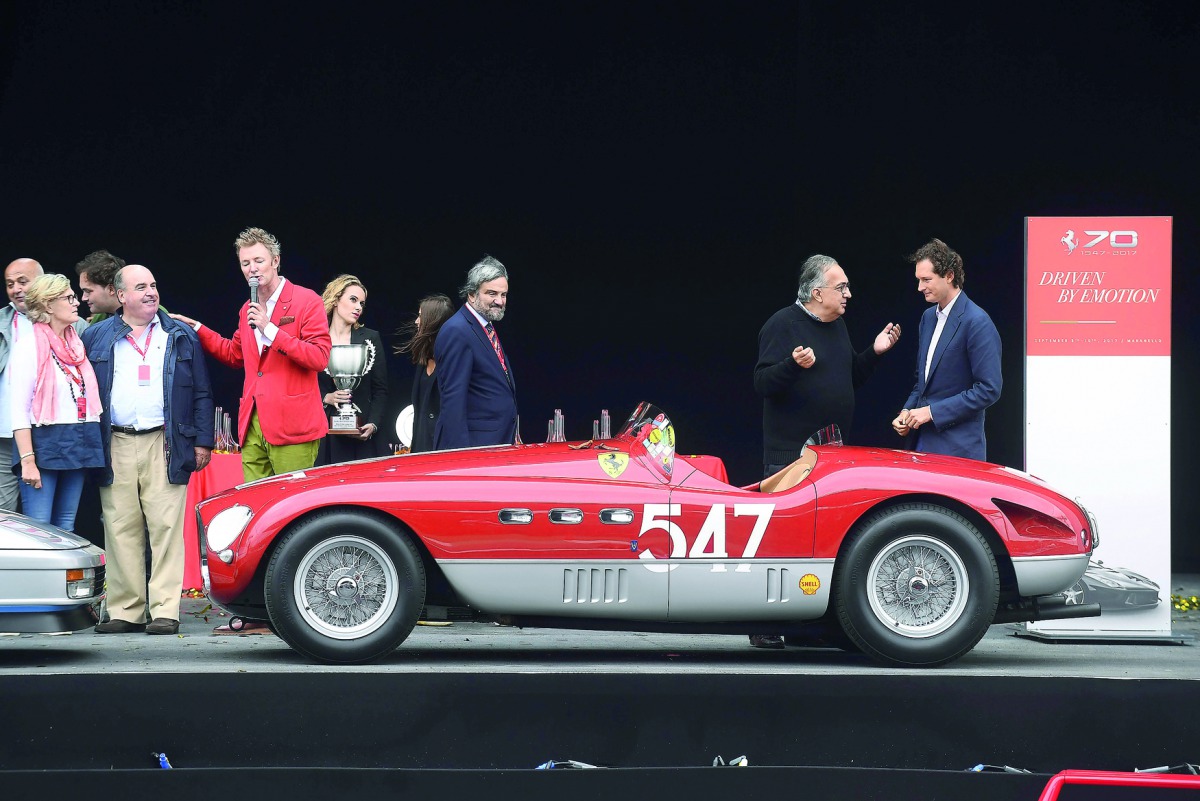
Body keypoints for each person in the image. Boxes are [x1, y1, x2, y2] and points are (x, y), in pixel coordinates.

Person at [750, 253, 901, 648]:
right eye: (842, 287)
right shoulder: (782, 324)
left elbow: (850, 377)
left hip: (832, 457)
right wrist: (793, 365)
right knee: (780, 538)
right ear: (817, 292)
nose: (849, 294)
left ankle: (812, 624)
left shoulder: (838, 326)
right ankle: (764, 622)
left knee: (822, 538)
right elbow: (762, 383)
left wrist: (876, 352)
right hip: (790, 457)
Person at [82, 265, 215, 635]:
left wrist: (203, 440)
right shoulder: (97, 336)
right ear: (120, 295)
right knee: (121, 525)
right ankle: (125, 610)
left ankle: (165, 610)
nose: (150, 292)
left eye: (153, 285)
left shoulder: (180, 334)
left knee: (166, 526)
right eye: (141, 287)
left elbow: (202, 391)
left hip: (166, 440)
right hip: (116, 441)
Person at [171, 226, 330, 483]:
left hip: (292, 426)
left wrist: (271, 329)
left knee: (291, 505)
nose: (252, 269)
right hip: (253, 423)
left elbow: (319, 357)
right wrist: (198, 329)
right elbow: (234, 354)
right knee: (256, 504)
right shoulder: (248, 308)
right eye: (245, 263)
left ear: (275, 261)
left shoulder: (306, 300)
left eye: (258, 260)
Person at [8, 274, 105, 530]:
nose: (76, 303)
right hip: (43, 444)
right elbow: (18, 409)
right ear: (48, 305)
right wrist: (28, 461)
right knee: (40, 528)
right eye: (69, 298)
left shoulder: (76, 346)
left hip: (78, 438)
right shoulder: (28, 346)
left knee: (66, 527)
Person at [891, 238, 1002, 461]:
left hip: (958, 450)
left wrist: (930, 413)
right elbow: (922, 382)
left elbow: (989, 389)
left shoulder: (977, 321)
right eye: (918, 280)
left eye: (926, 280)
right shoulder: (928, 318)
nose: (919, 287)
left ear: (949, 276)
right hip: (920, 443)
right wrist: (906, 412)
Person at [433, 256, 518, 449]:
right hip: (473, 449)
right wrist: (461, 458)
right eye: (492, 293)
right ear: (472, 294)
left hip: (495, 444)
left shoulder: (484, 326)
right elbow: (453, 400)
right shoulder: (457, 330)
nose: (499, 301)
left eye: (503, 295)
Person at [315, 274, 387, 464]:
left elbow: (380, 389)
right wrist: (326, 398)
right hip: (326, 434)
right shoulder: (315, 339)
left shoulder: (370, 339)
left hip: (363, 433)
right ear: (336, 299)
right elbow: (302, 384)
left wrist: (373, 424)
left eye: (362, 303)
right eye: (353, 300)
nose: (358, 307)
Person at [397, 294, 453, 453]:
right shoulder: (423, 360)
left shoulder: (452, 362)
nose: (416, 321)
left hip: (442, 451)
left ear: (433, 322)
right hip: (420, 449)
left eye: (421, 316)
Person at [75, 249, 126, 323]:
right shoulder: (97, 321)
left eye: (88, 291)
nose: (83, 298)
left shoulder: (143, 319)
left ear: (111, 289)